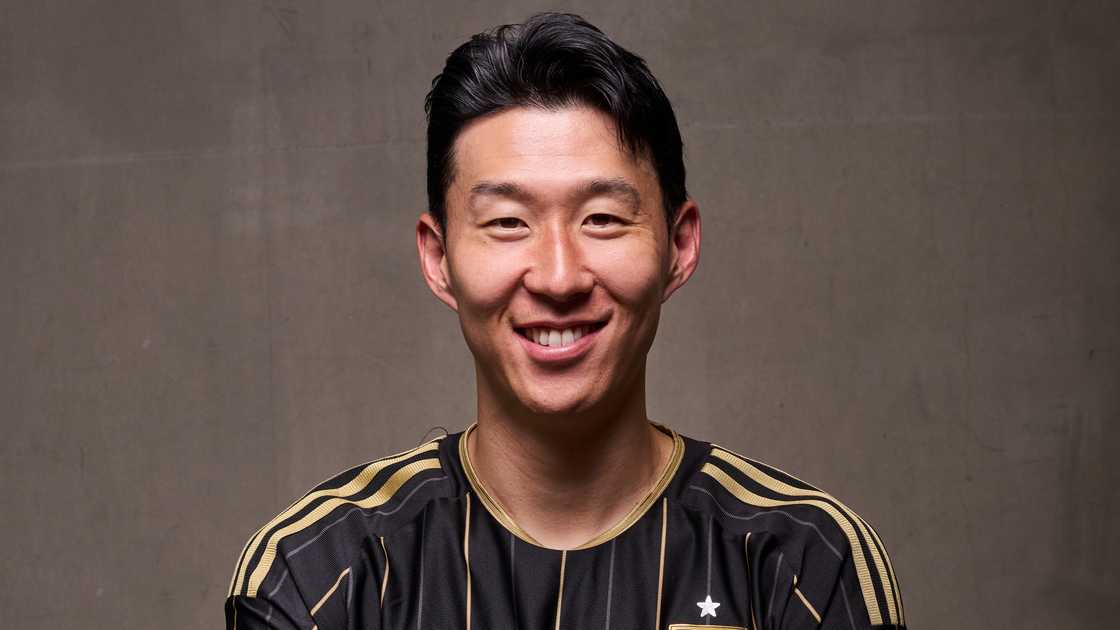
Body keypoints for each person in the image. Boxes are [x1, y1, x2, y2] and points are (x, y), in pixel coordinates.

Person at [225, 12, 905, 630]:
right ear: (438, 259)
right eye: (507, 223)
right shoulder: (320, 574)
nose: (557, 276)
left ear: (680, 244)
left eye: (602, 219)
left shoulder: (803, 564)